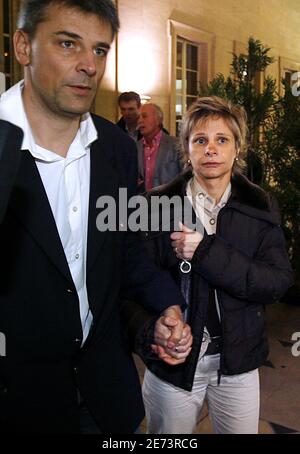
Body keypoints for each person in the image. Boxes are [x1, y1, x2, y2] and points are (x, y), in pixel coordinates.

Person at [0, 0, 190, 434]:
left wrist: (166, 306)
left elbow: (129, 252)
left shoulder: (118, 150)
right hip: (17, 406)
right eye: (69, 44)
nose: (89, 65)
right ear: (23, 46)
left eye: (100, 50)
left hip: (107, 397)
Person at [132, 96, 294, 434]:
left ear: (237, 149)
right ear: (186, 149)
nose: (211, 149)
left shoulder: (259, 207)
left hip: (237, 363)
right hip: (172, 365)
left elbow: (276, 282)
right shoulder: (155, 206)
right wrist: (153, 330)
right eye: (200, 140)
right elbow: (131, 284)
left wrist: (205, 251)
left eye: (222, 139)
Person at [137, 103, 182, 191]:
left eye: (144, 116)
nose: (140, 121)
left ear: (158, 120)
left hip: (171, 201)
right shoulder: (135, 147)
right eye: (138, 117)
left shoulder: (176, 145)